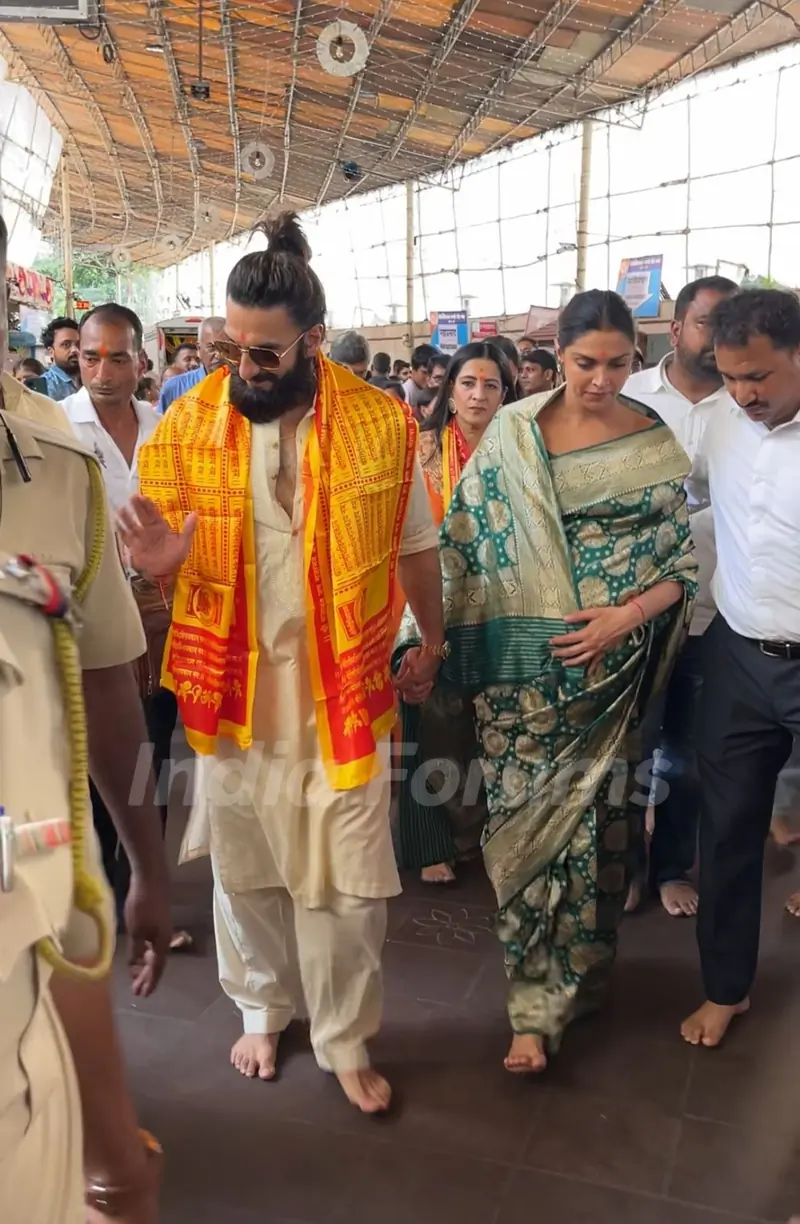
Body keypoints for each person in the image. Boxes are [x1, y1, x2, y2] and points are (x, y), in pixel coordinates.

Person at [117, 212, 444, 1114]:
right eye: (232, 348)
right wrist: (162, 568)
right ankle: (261, 1007)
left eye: (263, 354)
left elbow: (416, 544)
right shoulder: (187, 424)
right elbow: (164, 550)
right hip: (232, 694)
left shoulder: (382, 424)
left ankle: (344, 1036)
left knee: (348, 882)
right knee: (245, 864)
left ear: (308, 340)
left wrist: (432, 638)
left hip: (344, 689)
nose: (243, 368)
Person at [399, 290, 696, 1072]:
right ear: (556, 355)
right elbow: (461, 546)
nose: (601, 379)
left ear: (639, 356)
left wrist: (623, 617)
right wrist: (421, 641)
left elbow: (680, 567)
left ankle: (581, 976)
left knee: (598, 830)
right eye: (584, 362)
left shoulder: (651, 436)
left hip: (613, 669)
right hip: (523, 683)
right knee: (526, 835)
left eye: (619, 363)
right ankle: (531, 1009)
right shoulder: (513, 435)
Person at [0, 213, 170, 1224]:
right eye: (88, 352)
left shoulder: (51, 467)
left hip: (27, 1066)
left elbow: (107, 690)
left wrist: (146, 863)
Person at [681, 289, 800, 1048]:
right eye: (729, 376)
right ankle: (726, 988)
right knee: (725, 833)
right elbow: (682, 498)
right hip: (738, 653)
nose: (743, 393)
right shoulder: (716, 423)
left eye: (757, 376)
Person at [62, 304, 189, 951]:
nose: (104, 370)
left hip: (159, 617)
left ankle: (147, 893)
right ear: (76, 358)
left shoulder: (165, 427)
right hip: (88, 618)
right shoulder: (57, 430)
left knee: (156, 753)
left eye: (118, 356)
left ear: (142, 360)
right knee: (97, 764)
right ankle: (109, 903)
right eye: (91, 356)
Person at [624, 275, 738, 916]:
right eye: (707, 324)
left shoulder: (748, 403)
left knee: (689, 757)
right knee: (632, 747)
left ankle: (670, 867)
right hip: (638, 611)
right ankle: (628, 869)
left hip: (716, 611)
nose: (719, 338)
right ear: (676, 330)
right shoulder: (634, 398)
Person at [396, 342, 515, 885]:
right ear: (450, 390)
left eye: (491, 385)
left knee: (496, 724)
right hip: (433, 602)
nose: (478, 394)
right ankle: (437, 840)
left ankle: (487, 832)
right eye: (468, 383)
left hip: (503, 602)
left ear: (506, 394)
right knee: (436, 721)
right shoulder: (420, 450)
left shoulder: (522, 451)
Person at [157, 317, 225, 414]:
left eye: (225, 348)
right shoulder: (174, 387)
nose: (219, 354)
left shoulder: (243, 386)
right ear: (199, 348)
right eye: (212, 347)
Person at [42, 316, 81, 401]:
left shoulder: (90, 380)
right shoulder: (45, 386)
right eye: (66, 345)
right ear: (51, 352)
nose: (75, 350)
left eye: (78, 344)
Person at [404, 343, 439, 412]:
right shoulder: (406, 393)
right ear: (413, 370)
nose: (429, 377)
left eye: (431, 373)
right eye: (424, 373)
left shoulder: (433, 390)